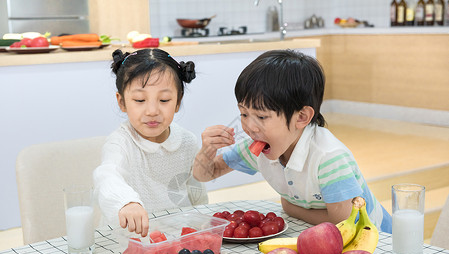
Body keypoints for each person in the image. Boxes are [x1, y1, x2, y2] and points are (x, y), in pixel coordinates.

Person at [193, 49, 392, 233]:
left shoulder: (328, 158)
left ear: (301, 117)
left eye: (262, 117)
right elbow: (206, 174)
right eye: (244, 114)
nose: (249, 127)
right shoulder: (257, 147)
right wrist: (206, 152)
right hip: (324, 234)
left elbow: (345, 224)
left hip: (378, 239)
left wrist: (291, 208)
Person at [94, 48, 208, 237]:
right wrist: (126, 202)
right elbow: (107, 175)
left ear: (178, 102)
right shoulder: (120, 142)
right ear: (122, 102)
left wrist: (201, 221)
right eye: (140, 100)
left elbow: (197, 194)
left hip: (175, 239)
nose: (152, 110)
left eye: (164, 100)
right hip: (128, 241)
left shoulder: (188, 141)